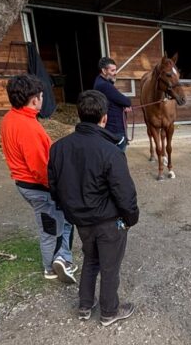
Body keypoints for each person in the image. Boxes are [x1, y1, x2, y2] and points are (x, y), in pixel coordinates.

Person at [48, 90, 139, 326]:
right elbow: (125, 192)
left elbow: (54, 186)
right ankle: (109, 311)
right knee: (109, 266)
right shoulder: (111, 151)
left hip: (81, 221)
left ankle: (85, 305)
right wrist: (131, 218)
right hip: (108, 221)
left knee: (91, 259)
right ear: (105, 117)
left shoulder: (58, 148)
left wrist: (71, 212)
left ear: (78, 114)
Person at [0, 74, 76, 283]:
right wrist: (59, 189)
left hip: (24, 182)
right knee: (51, 227)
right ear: (35, 99)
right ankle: (52, 266)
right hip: (38, 187)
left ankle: (61, 258)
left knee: (59, 221)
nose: (42, 100)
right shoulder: (28, 128)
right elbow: (40, 169)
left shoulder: (10, 118)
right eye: (42, 96)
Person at [94, 57, 132, 151]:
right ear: (103, 70)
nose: (115, 73)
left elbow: (114, 100)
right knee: (119, 157)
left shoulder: (100, 81)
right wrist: (125, 104)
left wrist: (122, 105)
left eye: (115, 70)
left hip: (110, 127)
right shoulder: (105, 85)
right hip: (114, 129)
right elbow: (126, 101)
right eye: (112, 70)